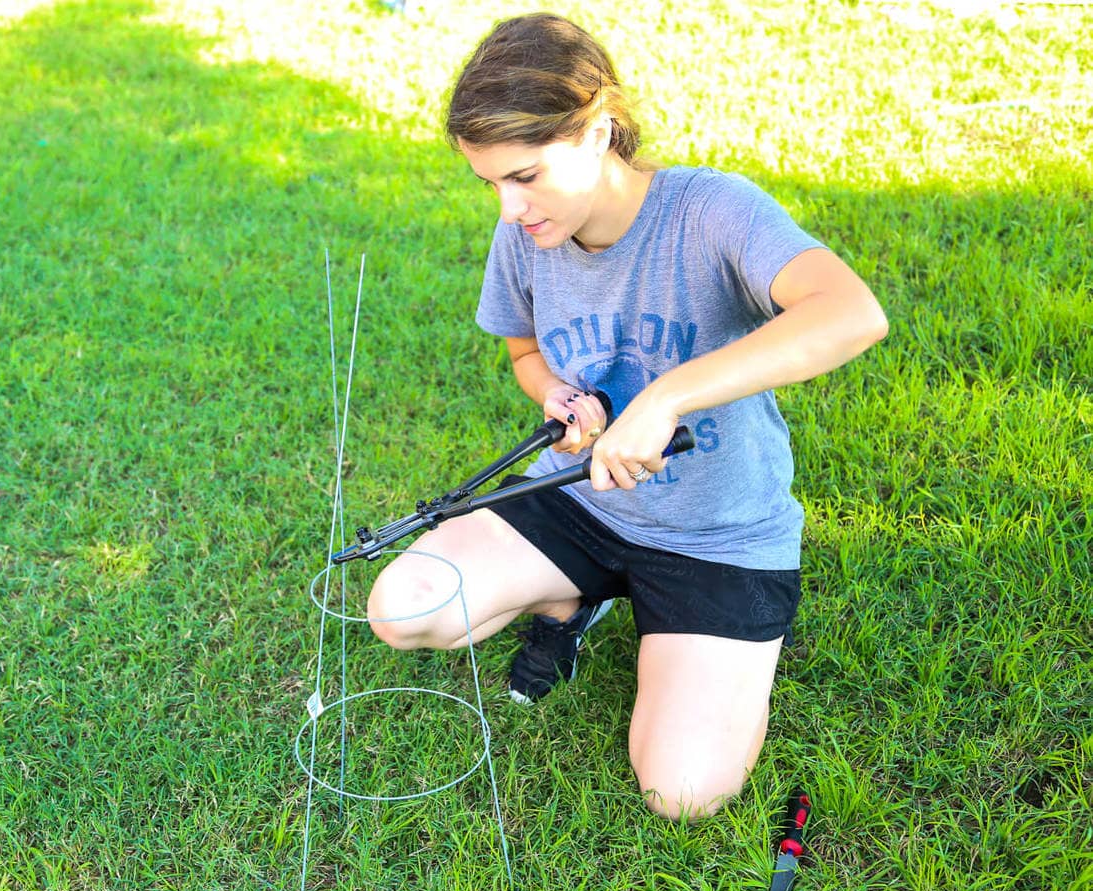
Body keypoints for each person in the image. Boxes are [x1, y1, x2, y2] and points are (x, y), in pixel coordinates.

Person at [364, 12, 888, 822]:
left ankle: (683, 637)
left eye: (527, 175)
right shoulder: (531, 232)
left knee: (682, 793)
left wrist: (666, 395)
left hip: (717, 533)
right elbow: (525, 353)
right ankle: (575, 603)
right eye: (491, 183)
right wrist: (555, 398)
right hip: (579, 499)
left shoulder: (712, 210)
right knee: (405, 607)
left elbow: (851, 313)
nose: (509, 209)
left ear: (601, 129)